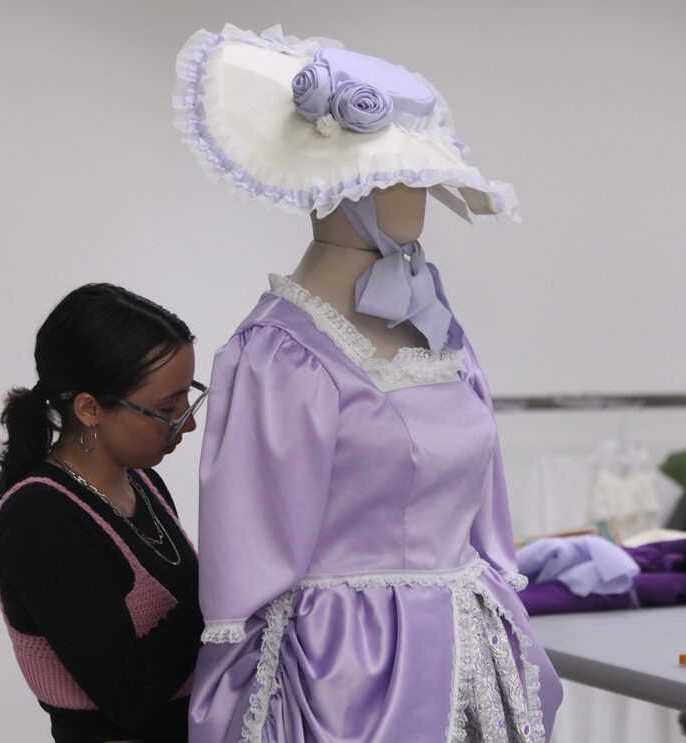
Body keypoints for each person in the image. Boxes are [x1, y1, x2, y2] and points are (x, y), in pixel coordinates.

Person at [173, 25, 563, 742]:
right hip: (349, 674)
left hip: (469, 656)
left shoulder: (439, 335)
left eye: (421, 172)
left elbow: (484, 518)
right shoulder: (275, 357)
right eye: (398, 173)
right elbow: (245, 563)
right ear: (341, 187)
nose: (420, 194)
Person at [0, 283, 206, 742]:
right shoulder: (39, 521)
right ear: (89, 409)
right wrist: (226, 581)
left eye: (188, 397)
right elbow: (130, 696)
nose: (188, 422)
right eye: (167, 407)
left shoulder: (145, 483)